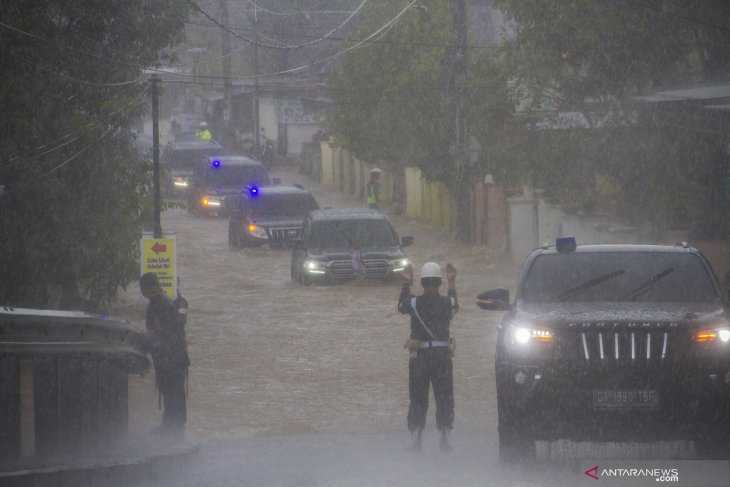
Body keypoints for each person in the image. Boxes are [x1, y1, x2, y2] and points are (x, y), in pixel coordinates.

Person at [398, 261, 458, 452]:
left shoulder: (414, 303)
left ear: (422, 283)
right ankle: (444, 438)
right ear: (439, 283)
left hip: (419, 358)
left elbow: (400, 306)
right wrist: (452, 282)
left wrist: (406, 283)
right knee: (444, 397)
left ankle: (416, 440)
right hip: (441, 357)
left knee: (417, 398)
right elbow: (455, 306)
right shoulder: (446, 303)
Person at [139, 272, 189, 438]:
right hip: (172, 356)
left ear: (147, 287)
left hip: (171, 357)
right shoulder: (160, 302)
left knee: (174, 393)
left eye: (142, 288)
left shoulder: (161, 304)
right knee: (171, 393)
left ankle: (175, 430)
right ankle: (170, 426)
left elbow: (166, 334)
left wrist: (166, 356)